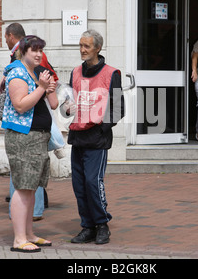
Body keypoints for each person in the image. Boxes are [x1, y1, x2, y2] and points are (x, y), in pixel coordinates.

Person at [64, 30, 124, 245]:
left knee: (92, 182)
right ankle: (87, 227)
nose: (82, 50)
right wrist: (67, 108)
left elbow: (118, 109)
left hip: (97, 139)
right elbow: (68, 103)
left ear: (98, 48)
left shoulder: (111, 73)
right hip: (77, 136)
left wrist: (101, 127)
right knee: (79, 185)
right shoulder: (75, 72)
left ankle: (101, 225)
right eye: (80, 45)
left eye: (87, 46)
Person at [2, 35, 58, 252]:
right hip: (23, 139)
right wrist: (41, 88)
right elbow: (20, 106)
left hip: (38, 138)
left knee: (32, 188)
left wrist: (49, 87)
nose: (37, 54)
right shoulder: (16, 73)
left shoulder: (34, 73)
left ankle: (29, 234)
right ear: (22, 51)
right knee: (23, 187)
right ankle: (19, 239)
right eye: (33, 50)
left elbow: (53, 105)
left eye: (40, 50)